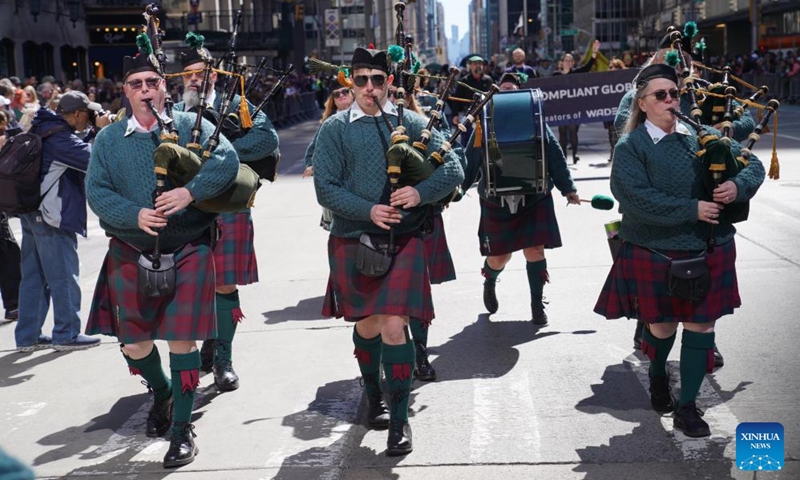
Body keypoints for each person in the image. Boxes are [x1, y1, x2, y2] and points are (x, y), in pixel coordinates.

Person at [85, 46, 238, 468]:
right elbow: (97, 192)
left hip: (187, 244)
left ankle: (182, 429)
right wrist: (133, 214)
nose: (145, 90)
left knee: (181, 340)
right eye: (136, 84)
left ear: (163, 88)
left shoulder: (189, 125)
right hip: (132, 248)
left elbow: (228, 161)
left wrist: (191, 192)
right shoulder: (109, 139)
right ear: (125, 91)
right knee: (133, 344)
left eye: (152, 82)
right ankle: (165, 393)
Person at [594, 64, 765, 438]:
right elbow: (634, 199)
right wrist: (691, 209)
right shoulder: (631, 146)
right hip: (655, 250)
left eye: (675, 93)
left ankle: (687, 406)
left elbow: (754, 166)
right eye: (661, 95)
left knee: (701, 325)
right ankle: (657, 374)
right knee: (662, 326)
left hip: (710, 246)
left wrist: (737, 185)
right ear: (643, 103)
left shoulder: (700, 135)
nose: (671, 100)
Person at [313, 47, 464, 456]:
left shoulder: (411, 122)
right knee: (369, 324)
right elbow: (325, 187)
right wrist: (368, 210)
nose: (368, 87)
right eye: (360, 79)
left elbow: (454, 168)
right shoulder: (335, 129)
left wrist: (419, 192)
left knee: (394, 323)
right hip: (352, 238)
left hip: (402, 240)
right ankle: (373, 390)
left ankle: (399, 420)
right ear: (350, 81)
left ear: (389, 83)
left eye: (376, 80)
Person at [614, 26, 755, 365]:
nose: (681, 64)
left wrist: (726, 131)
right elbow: (624, 119)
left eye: (686, 60)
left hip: (705, 197)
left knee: (702, 298)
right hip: (651, 190)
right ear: (660, 57)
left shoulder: (705, 89)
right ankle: (648, 326)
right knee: (657, 302)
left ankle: (705, 339)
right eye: (673, 58)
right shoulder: (648, 90)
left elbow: (744, 115)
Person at [174, 33, 280, 392]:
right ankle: (205, 341)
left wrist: (222, 150)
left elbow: (268, 141)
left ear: (214, 76)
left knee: (224, 283)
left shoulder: (238, 106)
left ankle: (223, 360)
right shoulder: (174, 114)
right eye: (187, 74)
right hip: (187, 209)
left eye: (200, 73)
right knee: (192, 284)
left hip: (230, 205)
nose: (194, 79)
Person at [463, 72, 580, 326]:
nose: (507, 93)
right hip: (496, 199)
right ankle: (490, 279)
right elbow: (471, 158)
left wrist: (567, 187)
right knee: (500, 257)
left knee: (534, 249)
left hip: (533, 195)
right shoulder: (485, 120)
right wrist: (456, 189)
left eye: (512, 90)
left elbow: (554, 153)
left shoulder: (534, 119)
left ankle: (537, 305)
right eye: (502, 89)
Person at [14, 91, 110, 352]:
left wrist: (91, 133)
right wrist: (102, 132)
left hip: (30, 211)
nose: (90, 121)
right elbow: (96, 161)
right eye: (88, 116)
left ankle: (28, 336)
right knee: (64, 276)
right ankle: (66, 334)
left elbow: (77, 151)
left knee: (34, 276)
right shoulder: (61, 140)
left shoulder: (44, 128)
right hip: (50, 216)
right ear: (77, 114)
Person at [303, 84, 354, 231]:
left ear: (352, 94)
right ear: (333, 100)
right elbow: (313, 149)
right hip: (335, 177)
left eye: (345, 91)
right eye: (336, 94)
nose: (341, 95)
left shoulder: (365, 114)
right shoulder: (329, 122)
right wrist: (310, 165)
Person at [552, 40, 600, 164]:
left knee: (573, 131)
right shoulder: (555, 75)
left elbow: (587, 67)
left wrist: (594, 53)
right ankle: (563, 156)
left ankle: (574, 154)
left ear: (573, 63)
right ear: (561, 63)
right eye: (566, 60)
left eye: (570, 60)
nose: (568, 62)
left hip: (574, 107)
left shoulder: (576, 73)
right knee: (562, 132)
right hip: (560, 108)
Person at [450, 55, 494, 146]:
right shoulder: (464, 81)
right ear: (470, 66)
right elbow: (457, 99)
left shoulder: (488, 80)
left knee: (486, 137)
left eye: (480, 64)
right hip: (468, 114)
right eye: (475, 64)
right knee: (467, 139)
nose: (478, 66)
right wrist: (455, 114)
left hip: (484, 113)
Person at [604, 58, 627, 163]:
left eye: (612, 67)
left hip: (619, 110)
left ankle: (616, 153)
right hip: (609, 111)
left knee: (617, 133)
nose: (610, 69)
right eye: (610, 67)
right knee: (611, 133)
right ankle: (613, 151)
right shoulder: (606, 80)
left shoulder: (624, 79)